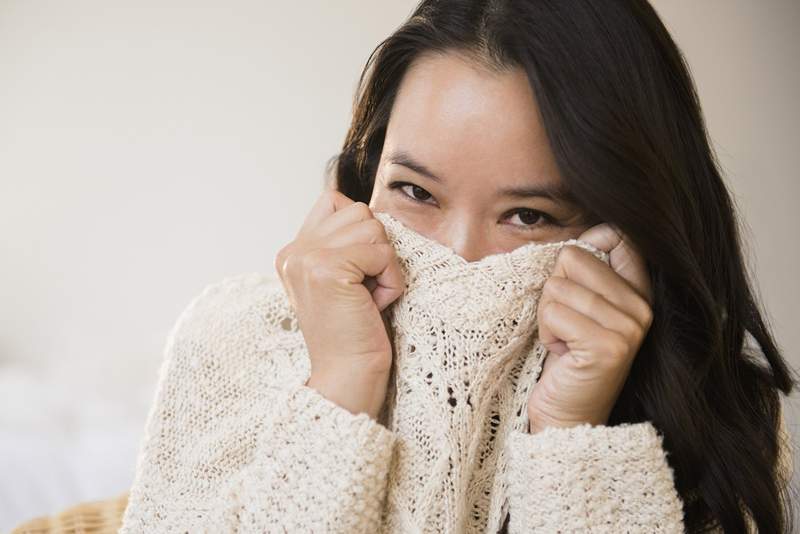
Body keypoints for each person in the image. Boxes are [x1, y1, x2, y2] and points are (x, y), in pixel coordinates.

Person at [293, 0, 796, 532]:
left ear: (619, 231)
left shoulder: (713, 436)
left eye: (527, 216)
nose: (461, 257)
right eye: (415, 191)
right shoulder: (229, 343)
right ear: (369, 175)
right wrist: (339, 388)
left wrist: (570, 437)